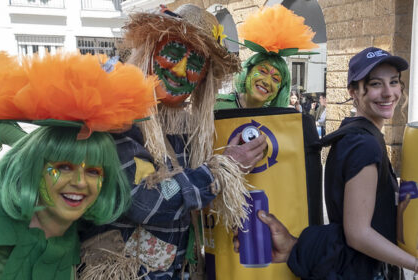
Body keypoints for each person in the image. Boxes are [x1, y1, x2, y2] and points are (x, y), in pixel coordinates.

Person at [79, 4, 268, 280]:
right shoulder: (117, 115)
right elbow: (144, 201)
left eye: (194, 64)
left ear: (203, 78)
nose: (180, 70)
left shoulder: (187, 129)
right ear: (151, 50)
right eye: (174, 52)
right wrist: (220, 170)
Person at [235, 47, 418, 279]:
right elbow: (358, 234)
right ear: (353, 91)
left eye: (393, 82)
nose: (388, 92)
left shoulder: (353, 133)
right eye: (375, 84)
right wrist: (414, 263)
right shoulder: (364, 144)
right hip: (363, 270)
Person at [0, 51, 156, 280]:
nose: (80, 182)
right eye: (63, 167)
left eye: (93, 171)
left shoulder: (69, 233)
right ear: (36, 167)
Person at [215, 6, 317, 110]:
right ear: (248, 71)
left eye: (275, 79)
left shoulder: (276, 119)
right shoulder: (217, 106)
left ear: (280, 90)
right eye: (263, 71)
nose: (266, 82)